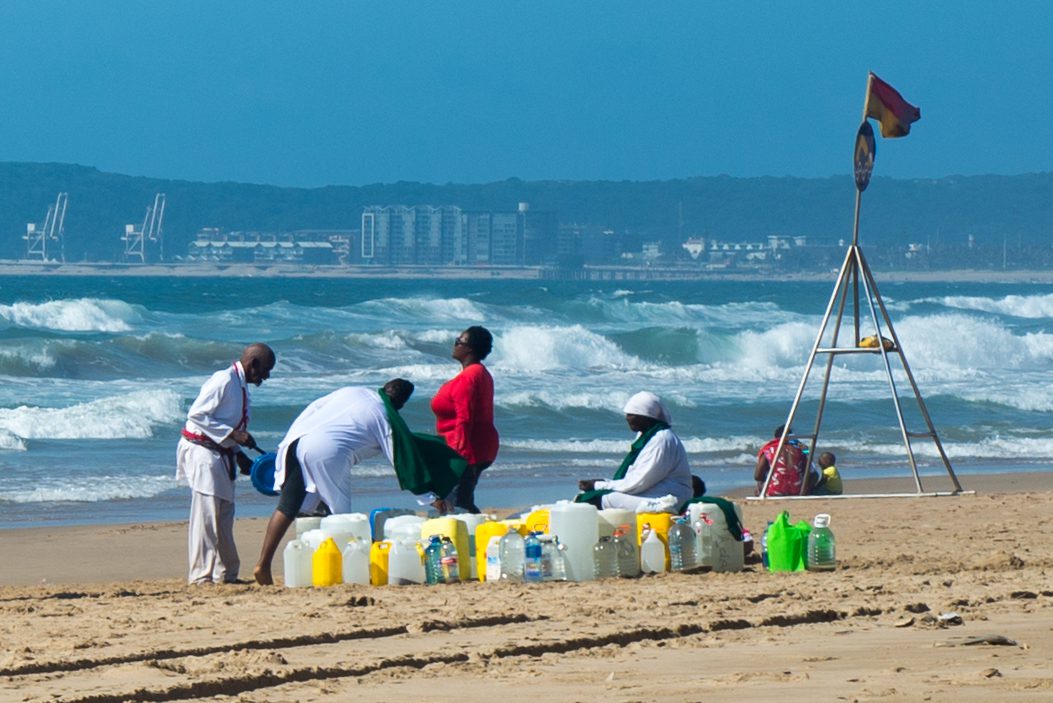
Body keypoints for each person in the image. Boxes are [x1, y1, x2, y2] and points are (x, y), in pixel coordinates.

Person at [253, 379, 466, 585]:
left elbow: (314, 408)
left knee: (289, 506)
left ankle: (263, 564)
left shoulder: (354, 391)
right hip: (329, 453)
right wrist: (429, 497)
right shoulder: (384, 416)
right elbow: (400, 459)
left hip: (299, 441)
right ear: (399, 404)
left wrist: (289, 442)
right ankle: (345, 571)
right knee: (342, 516)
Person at [176, 343, 276, 584]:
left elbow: (225, 424)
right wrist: (234, 434)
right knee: (207, 516)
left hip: (222, 453)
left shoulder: (241, 386)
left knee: (224, 515)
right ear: (253, 364)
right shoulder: (223, 380)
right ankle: (200, 577)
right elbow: (197, 415)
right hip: (202, 452)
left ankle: (227, 574)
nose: (266, 376)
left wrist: (240, 454)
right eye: (265, 370)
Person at [576, 391, 694, 512]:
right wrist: (602, 483)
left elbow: (639, 482)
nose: (628, 418)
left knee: (596, 500)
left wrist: (598, 485)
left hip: (668, 499)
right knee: (589, 495)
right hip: (652, 491)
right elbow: (636, 477)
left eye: (633, 414)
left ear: (647, 416)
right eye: (628, 414)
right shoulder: (646, 436)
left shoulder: (661, 440)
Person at [431, 325, 499, 514]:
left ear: (469, 348)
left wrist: (459, 456)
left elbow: (465, 418)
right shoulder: (479, 372)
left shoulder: (469, 377)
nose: (455, 345)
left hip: (467, 450)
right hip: (477, 447)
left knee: (456, 506)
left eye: (459, 341)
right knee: (462, 502)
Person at [754, 424, 810, 497]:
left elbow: (757, 476)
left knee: (759, 483)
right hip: (797, 490)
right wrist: (797, 442)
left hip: (775, 491)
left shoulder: (769, 449)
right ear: (791, 437)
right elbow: (807, 453)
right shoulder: (800, 450)